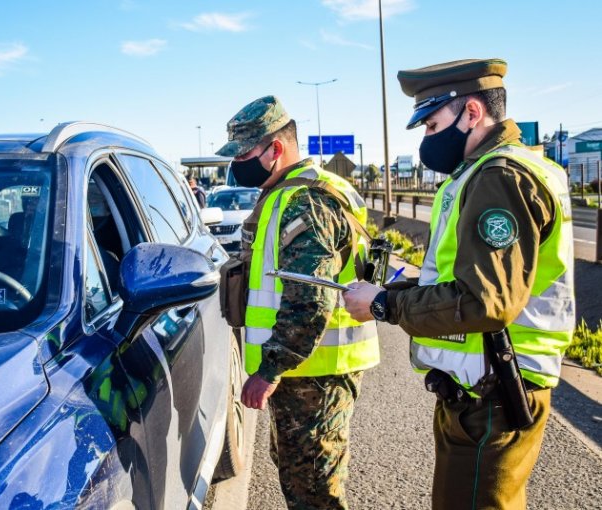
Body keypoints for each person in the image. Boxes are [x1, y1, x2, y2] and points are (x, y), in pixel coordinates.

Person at [342, 59, 574, 509]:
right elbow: (459, 281)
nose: (427, 139)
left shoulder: (500, 177)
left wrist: (384, 307)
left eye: (431, 125)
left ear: (471, 112)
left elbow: (484, 301)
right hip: (484, 391)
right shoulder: (488, 171)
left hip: (495, 395)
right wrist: (388, 296)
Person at [216, 95, 379, 509]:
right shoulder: (287, 193)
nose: (238, 165)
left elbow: (310, 297)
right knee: (299, 472)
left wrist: (269, 370)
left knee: (314, 488)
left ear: (276, 148)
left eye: (245, 153)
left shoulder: (307, 201)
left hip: (315, 371)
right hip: (306, 369)